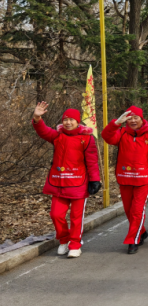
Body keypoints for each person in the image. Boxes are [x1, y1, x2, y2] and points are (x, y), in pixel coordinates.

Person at [32, 103, 101, 258]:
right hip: (59, 184)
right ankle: (64, 240)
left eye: (71, 120)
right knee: (55, 215)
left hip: (78, 184)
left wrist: (95, 180)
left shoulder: (87, 139)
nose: (68, 122)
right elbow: (43, 131)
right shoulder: (57, 136)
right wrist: (37, 117)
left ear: (77, 121)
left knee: (76, 218)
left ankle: (75, 244)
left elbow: (92, 161)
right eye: (65, 120)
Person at [101, 105, 148, 254]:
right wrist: (116, 123)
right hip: (125, 178)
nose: (133, 121)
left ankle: (133, 240)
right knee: (129, 211)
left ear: (142, 119)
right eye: (130, 118)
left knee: (137, 211)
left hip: (143, 180)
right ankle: (141, 232)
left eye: (136, 118)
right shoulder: (121, 133)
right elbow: (107, 137)